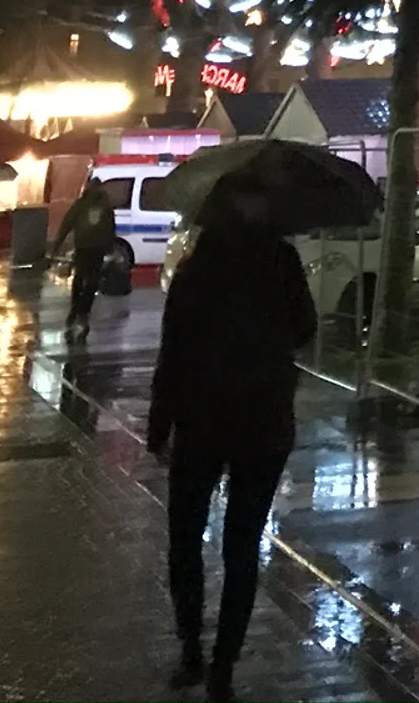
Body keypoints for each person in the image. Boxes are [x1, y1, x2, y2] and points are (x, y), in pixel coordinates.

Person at [148, 174, 315, 701]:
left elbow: (172, 348)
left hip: (202, 420)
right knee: (242, 546)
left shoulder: (199, 268)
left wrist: (160, 423)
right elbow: (306, 327)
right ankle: (222, 668)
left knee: (185, 538)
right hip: (263, 422)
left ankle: (192, 652)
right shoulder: (282, 261)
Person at [53, 178, 118, 334]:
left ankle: (78, 312)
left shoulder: (90, 205)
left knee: (84, 281)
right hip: (90, 248)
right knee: (86, 281)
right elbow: (110, 228)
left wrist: (57, 246)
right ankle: (80, 312)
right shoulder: (99, 205)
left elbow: (67, 224)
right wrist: (110, 246)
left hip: (90, 248)